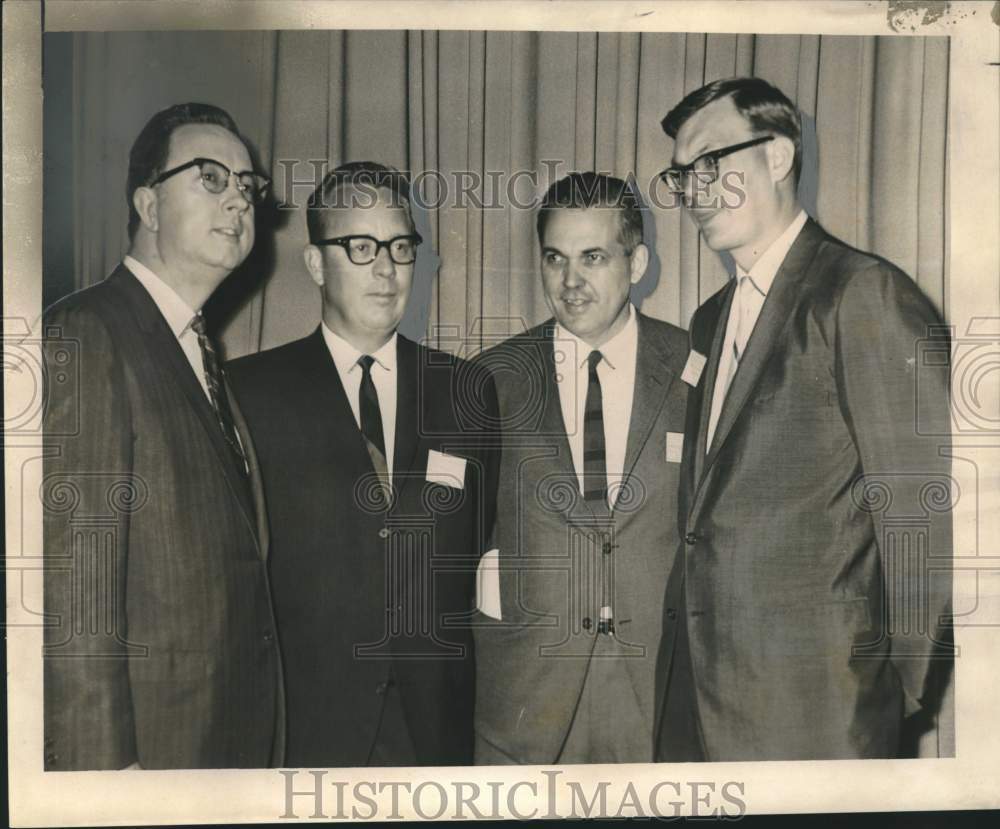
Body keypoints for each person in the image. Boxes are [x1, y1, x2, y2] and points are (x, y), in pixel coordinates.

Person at [653, 76, 953, 761]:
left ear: (780, 157)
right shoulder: (709, 320)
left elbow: (928, 512)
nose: (695, 192)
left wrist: (888, 689)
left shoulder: (859, 292)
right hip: (702, 707)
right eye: (681, 176)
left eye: (711, 164)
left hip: (822, 716)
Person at [227, 161, 497, 767]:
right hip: (308, 729)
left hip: (436, 733)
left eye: (401, 247)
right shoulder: (251, 393)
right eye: (360, 246)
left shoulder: (466, 391)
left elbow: (476, 543)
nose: (385, 268)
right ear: (317, 264)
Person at [42, 102, 283, 769]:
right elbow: (75, 591)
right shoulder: (88, 335)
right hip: (148, 758)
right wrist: (106, 779)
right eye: (211, 177)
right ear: (148, 205)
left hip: (220, 744)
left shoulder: (199, 352)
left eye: (248, 185)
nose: (239, 198)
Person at [473, 172, 690, 764]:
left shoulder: (697, 368)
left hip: (658, 692)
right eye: (555, 259)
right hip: (528, 701)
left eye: (593, 257)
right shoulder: (488, 379)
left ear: (637, 261)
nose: (570, 282)